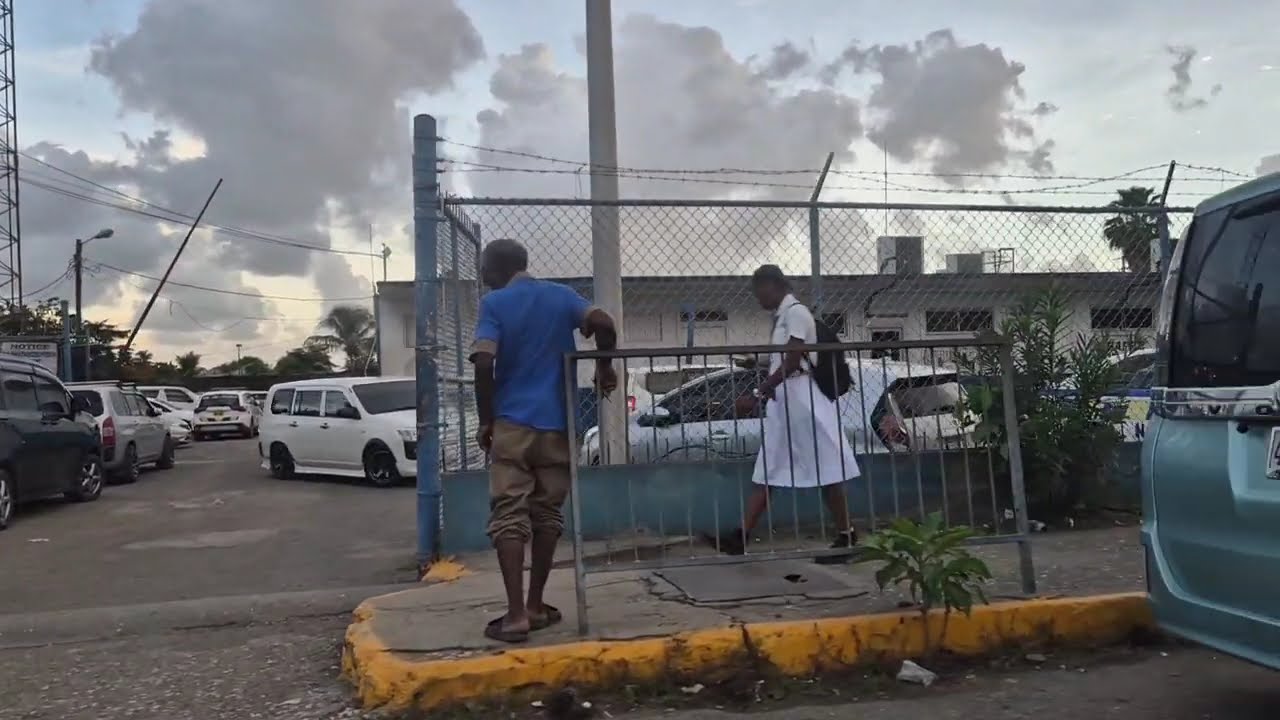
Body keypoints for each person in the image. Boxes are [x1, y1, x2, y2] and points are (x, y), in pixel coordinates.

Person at [470, 238, 618, 644]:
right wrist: (604, 368)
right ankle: (536, 605)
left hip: (513, 423)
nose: (482, 278)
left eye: (484, 270)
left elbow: (484, 360)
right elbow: (603, 323)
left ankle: (515, 616)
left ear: (498, 269)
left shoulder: (495, 304)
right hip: (557, 422)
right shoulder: (562, 296)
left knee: (509, 514)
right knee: (547, 515)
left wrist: (486, 420)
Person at [711, 264, 905, 560]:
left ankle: (847, 535)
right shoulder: (782, 318)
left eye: (759, 291)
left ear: (773, 286)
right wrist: (758, 364)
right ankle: (741, 536)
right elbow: (782, 360)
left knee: (827, 470)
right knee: (768, 469)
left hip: (804, 404)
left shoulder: (797, 314)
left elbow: (792, 361)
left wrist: (757, 393)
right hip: (786, 405)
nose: (758, 299)